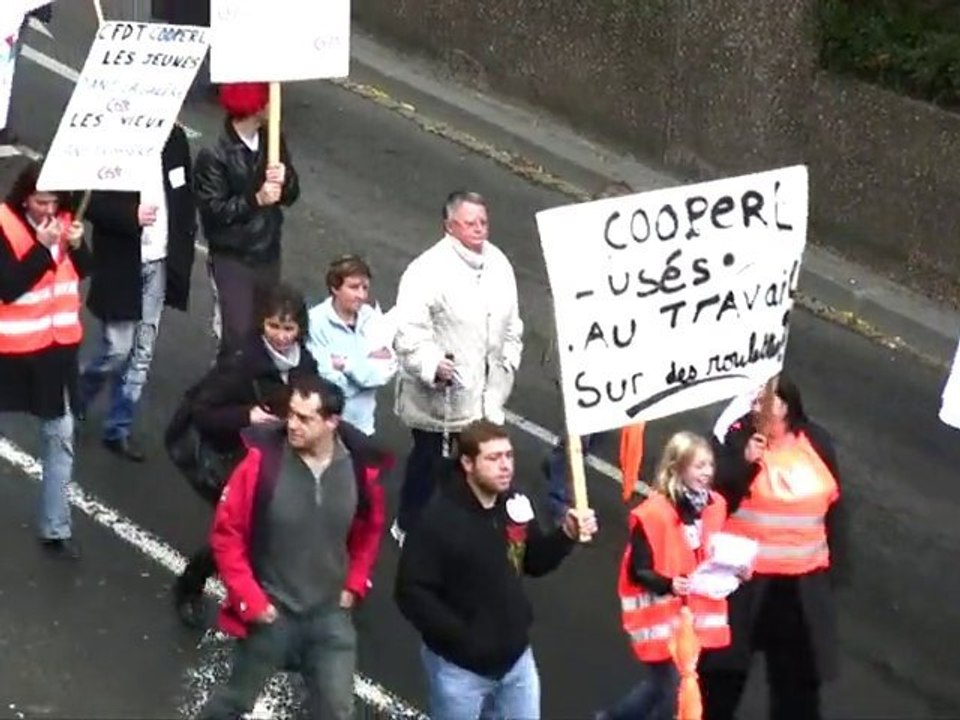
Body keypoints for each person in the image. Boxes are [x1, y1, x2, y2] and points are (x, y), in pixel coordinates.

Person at [199, 372, 389, 720]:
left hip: (331, 615)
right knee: (233, 704)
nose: (292, 425)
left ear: (332, 422)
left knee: (337, 711)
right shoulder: (260, 466)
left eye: (304, 418)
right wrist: (252, 601)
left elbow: (370, 532)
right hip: (273, 612)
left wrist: (354, 584)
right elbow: (227, 535)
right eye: (291, 414)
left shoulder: (361, 472)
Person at [395, 419, 597, 720]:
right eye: (493, 458)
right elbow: (410, 591)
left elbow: (533, 561)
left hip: (516, 662)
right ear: (467, 463)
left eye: (509, 456)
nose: (505, 466)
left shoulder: (515, 503)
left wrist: (564, 535)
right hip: (460, 671)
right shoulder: (438, 520)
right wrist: (462, 636)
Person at [700, 375, 850, 720]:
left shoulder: (816, 441)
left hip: (800, 589)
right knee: (720, 684)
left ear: (787, 406)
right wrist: (746, 462)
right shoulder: (735, 442)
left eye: (766, 400)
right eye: (754, 400)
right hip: (742, 587)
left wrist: (833, 571)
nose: (758, 406)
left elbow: (835, 507)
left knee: (797, 691)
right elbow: (714, 495)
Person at [172, 282, 317, 627]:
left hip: (279, 459)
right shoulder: (241, 363)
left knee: (260, 533)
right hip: (236, 461)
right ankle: (192, 585)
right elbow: (203, 413)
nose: (281, 336)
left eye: (288, 328)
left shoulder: (306, 364)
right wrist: (245, 416)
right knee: (239, 533)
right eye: (274, 326)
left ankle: (248, 593)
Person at [391, 191, 524, 544]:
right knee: (430, 465)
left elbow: (513, 324)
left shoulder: (499, 264)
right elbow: (408, 333)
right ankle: (409, 525)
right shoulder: (425, 271)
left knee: (475, 469)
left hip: (486, 397)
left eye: (483, 222)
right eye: (470, 223)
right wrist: (433, 365)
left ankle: (468, 533)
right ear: (449, 226)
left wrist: (509, 361)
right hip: (441, 402)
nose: (479, 229)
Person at [77, 122, 197, 462]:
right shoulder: (116, 139)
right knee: (117, 349)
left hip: (157, 261)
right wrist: (131, 214)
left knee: (142, 353)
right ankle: (79, 397)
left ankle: (119, 427)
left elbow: (182, 193)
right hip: (122, 263)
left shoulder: (174, 138)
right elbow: (89, 202)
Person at [602, 431, 736, 720]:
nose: (707, 473)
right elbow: (638, 570)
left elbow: (713, 553)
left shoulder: (715, 507)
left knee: (659, 687)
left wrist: (736, 568)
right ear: (677, 468)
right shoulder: (652, 515)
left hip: (690, 621)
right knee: (674, 692)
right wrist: (669, 584)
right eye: (699, 466)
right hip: (660, 623)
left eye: (709, 465)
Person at [0, 159, 87, 559]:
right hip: (10, 353)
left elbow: (81, 270)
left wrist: (80, 246)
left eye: (53, 201)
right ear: (24, 198)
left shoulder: (67, 222)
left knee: (60, 436)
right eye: (39, 202)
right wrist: (43, 249)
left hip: (53, 354)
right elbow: (9, 287)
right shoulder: (4, 227)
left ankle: (56, 525)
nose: (48, 210)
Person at [539, 180, 635, 524]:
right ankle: (560, 499)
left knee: (595, 429)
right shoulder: (577, 252)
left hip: (613, 355)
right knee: (582, 431)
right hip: (582, 357)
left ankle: (558, 466)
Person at [194, 81, 300, 360]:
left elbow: (290, 194)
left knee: (261, 331)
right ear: (256, 106)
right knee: (237, 334)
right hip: (233, 255)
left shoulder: (273, 140)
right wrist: (256, 199)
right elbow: (214, 210)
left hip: (266, 250)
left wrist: (284, 179)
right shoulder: (215, 154)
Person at [306, 254, 397, 436]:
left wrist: (346, 365)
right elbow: (327, 380)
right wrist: (364, 369)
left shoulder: (372, 318)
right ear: (335, 288)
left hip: (363, 427)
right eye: (354, 287)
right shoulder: (315, 322)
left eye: (365, 288)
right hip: (325, 426)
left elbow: (383, 373)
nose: (361, 295)